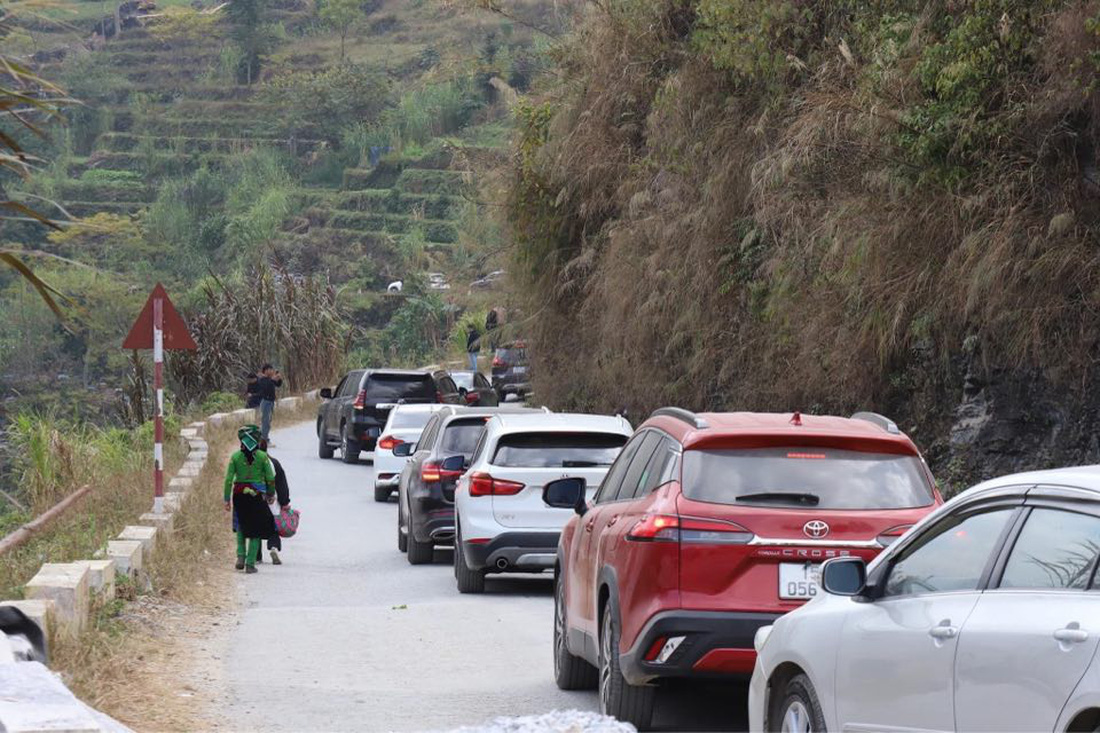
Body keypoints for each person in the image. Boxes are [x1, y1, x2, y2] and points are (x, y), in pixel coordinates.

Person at [223, 425, 275, 573]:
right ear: (257, 442)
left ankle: (240, 556)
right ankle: (250, 564)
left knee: (241, 525)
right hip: (257, 496)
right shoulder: (263, 457)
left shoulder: (235, 457)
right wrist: (270, 494)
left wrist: (227, 499)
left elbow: (228, 480)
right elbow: (270, 479)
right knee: (255, 529)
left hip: (239, 496)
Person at [260, 439, 290, 566]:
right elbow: (282, 485)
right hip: (272, 504)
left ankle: (256, 556)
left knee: (255, 531)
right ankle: (273, 548)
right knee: (273, 529)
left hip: (255, 502)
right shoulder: (274, 463)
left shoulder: (249, 464)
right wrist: (284, 502)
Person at [256, 363, 283, 444]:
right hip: (265, 402)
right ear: (266, 370)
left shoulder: (269, 379)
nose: (272, 371)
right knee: (265, 422)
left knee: (268, 421)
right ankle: (263, 440)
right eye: (270, 369)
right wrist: (273, 379)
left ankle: (264, 438)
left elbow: (278, 385)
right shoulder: (262, 379)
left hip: (270, 402)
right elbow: (266, 386)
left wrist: (279, 379)